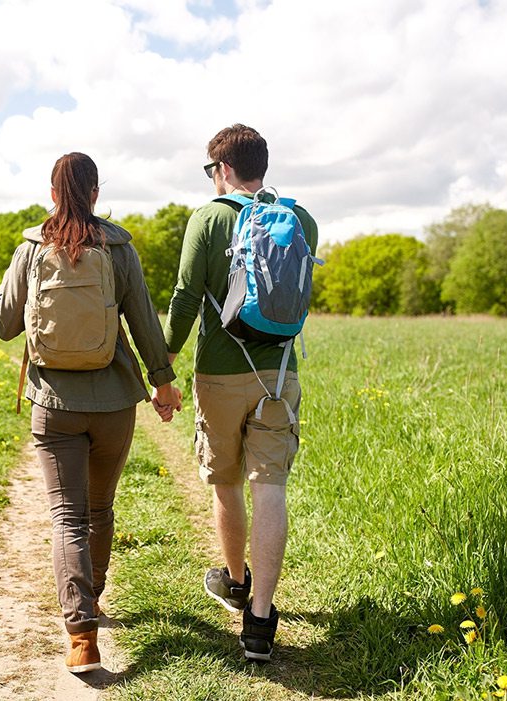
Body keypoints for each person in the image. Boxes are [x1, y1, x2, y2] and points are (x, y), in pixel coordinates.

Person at [0, 152, 182, 674]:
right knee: (99, 509)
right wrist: (163, 384)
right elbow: (144, 321)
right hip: (115, 403)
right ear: (96, 193)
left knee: (66, 518)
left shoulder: (29, 250)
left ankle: (82, 637)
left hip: (53, 404)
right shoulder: (119, 248)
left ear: (52, 194)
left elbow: (6, 325)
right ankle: (93, 596)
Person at [161, 124, 318, 662]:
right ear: (262, 167)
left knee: (225, 479)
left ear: (222, 170)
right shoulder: (302, 220)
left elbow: (185, 296)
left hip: (222, 374)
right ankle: (260, 622)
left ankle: (233, 582)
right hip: (279, 375)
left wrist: (166, 363)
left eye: (211, 170)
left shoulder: (209, 217)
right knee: (269, 485)